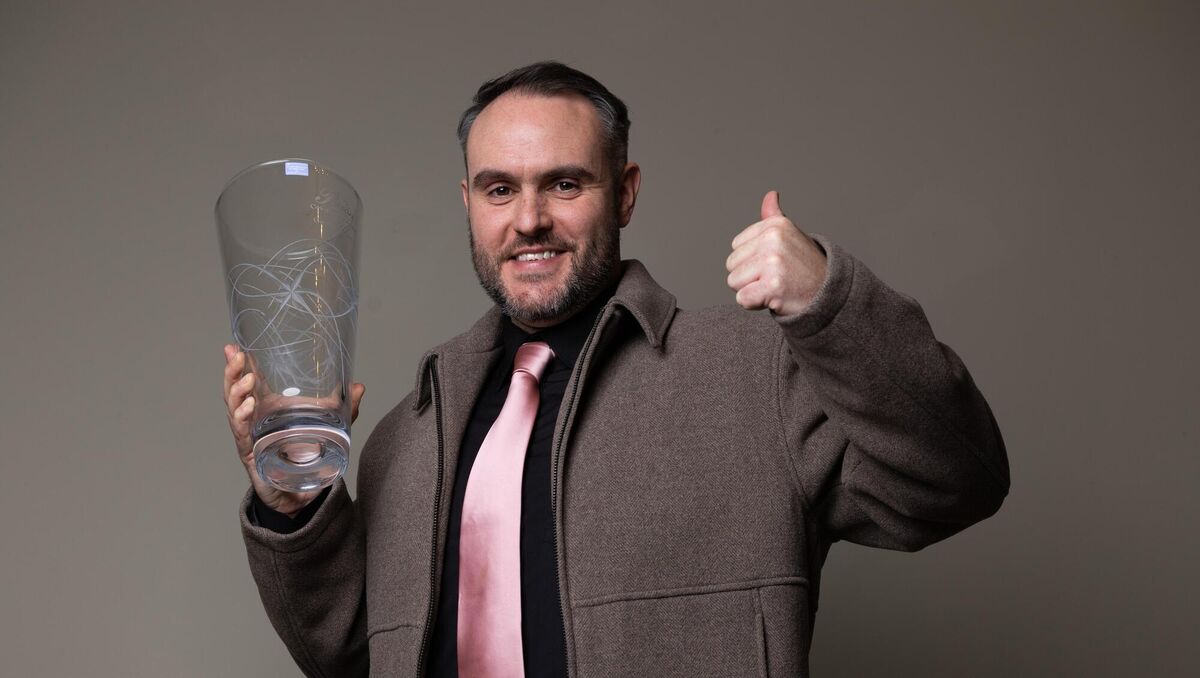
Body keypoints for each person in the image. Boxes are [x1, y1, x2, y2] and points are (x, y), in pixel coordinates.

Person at [224, 61, 1010, 677]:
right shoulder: (404, 438)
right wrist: (293, 505)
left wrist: (828, 304)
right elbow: (355, 660)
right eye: (501, 189)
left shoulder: (754, 376)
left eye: (564, 183)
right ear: (469, 204)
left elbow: (954, 480)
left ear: (625, 193)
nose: (529, 218)